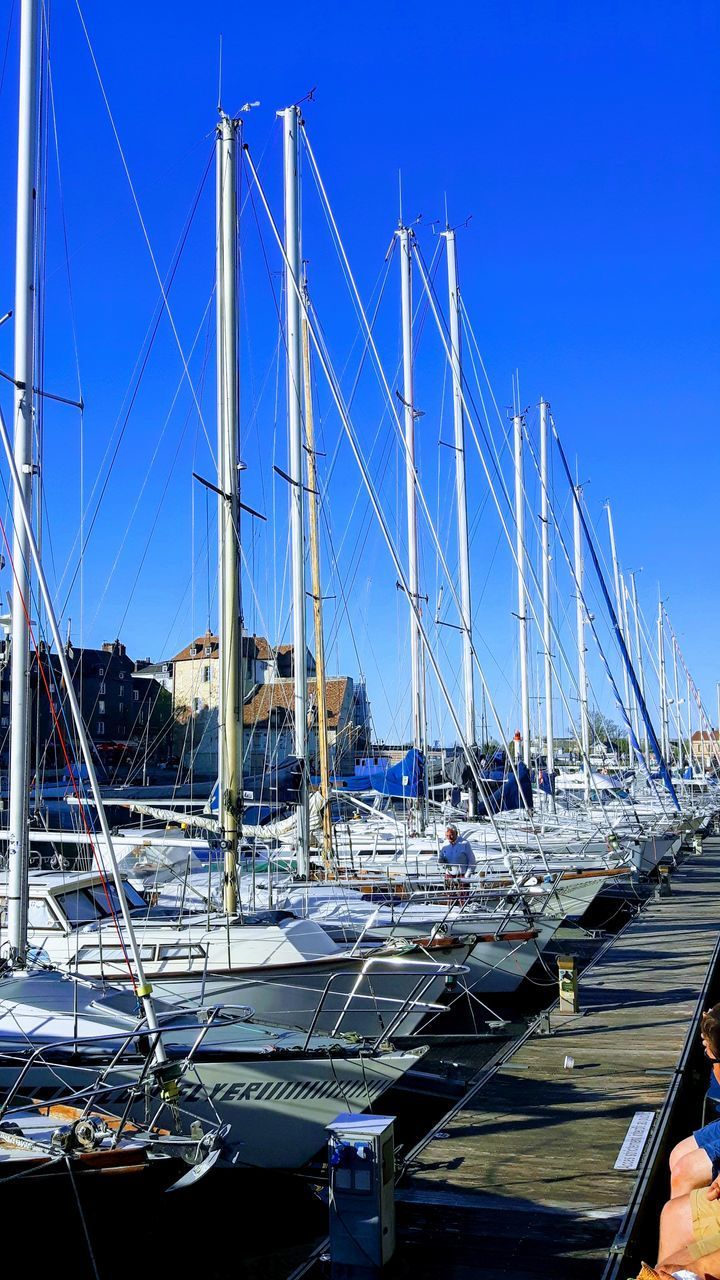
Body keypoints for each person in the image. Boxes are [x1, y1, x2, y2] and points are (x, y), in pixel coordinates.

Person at [438, 824, 476, 902]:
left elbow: (472, 861)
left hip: (462, 875)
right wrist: (441, 861)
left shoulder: (465, 843)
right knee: (450, 899)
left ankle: (464, 911)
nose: (449, 837)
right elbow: (441, 857)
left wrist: (467, 876)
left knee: (463, 899)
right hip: (449, 875)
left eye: (451, 835)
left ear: (456, 833)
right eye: (447, 835)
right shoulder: (445, 844)